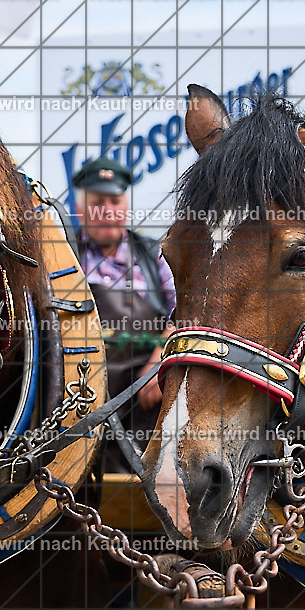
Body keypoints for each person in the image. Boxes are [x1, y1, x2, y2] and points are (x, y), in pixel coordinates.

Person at [73, 157, 176, 472]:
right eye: (97, 201)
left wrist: (161, 361)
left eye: (114, 201)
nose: (107, 210)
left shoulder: (153, 255)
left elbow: (184, 315)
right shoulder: (64, 253)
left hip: (145, 406)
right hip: (78, 402)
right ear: (80, 208)